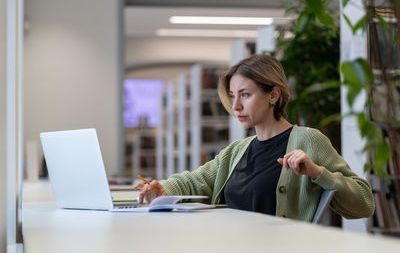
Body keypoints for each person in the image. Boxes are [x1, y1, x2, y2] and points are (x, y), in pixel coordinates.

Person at [135, 54, 375, 222]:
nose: (236, 106)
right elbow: (194, 181)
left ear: (273, 95)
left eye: (245, 95)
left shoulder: (308, 141)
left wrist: (316, 172)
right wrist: (163, 188)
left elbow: (364, 203)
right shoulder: (237, 150)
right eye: (232, 96)